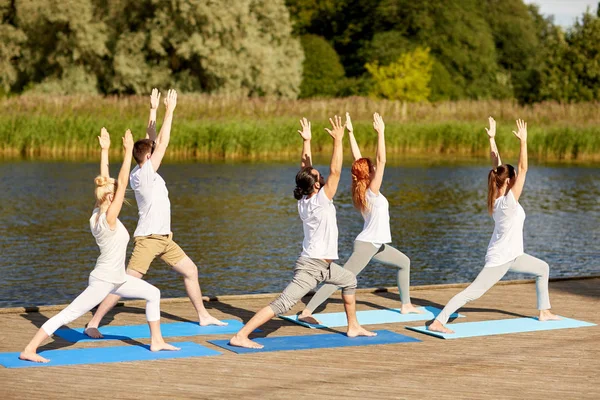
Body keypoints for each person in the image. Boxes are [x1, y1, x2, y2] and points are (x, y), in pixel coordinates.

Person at [19, 128, 179, 363]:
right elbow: (123, 181)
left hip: (117, 279)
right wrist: (126, 153)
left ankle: (156, 341)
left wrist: (105, 150)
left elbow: (105, 180)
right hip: (104, 280)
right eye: (114, 193)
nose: (117, 194)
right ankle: (30, 349)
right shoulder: (109, 219)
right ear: (109, 198)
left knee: (153, 293)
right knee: (69, 314)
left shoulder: (97, 212)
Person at [84, 89, 224, 339]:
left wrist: (152, 110)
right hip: (148, 240)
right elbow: (163, 142)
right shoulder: (145, 174)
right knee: (123, 282)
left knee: (190, 271)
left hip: (165, 240)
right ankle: (93, 322)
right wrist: (170, 111)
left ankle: (203, 316)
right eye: (153, 151)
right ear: (148, 157)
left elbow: (152, 140)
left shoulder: (146, 171)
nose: (157, 149)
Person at [229, 116, 377, 349]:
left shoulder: (305, 198)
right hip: (311, 266)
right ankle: (241, 335)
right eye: (319, 177)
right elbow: (336, 170)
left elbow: (304, 169)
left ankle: (353, 326)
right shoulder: (320, 201)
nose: (322, 176)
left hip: (323, 266)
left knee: (349, 280)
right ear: (317, 185)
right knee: (283, 303)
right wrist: (338, 141)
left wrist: (307, 141)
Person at [428, 117, 560, 334]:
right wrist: (523, 142)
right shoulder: (508, 203)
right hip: (500, 259)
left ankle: (544, 311)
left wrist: (492, 139)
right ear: (509, 182)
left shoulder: (499, 193)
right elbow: (524, 168)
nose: (517, 178)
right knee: (473, 292)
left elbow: (497, 167)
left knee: (542, 268)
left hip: (514, 255)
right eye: (514, 178)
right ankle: (438, 321)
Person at [298, 112, 421, 324]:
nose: (375, 168)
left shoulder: (361, 188)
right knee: (340, 279)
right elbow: (381, 160)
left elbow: (358, 161)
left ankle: (406, 304)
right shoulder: (371, 191)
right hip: (367, 245)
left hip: (376, 243)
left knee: (404, 262)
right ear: (370, 173)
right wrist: (381, 133)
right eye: (372, 168)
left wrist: (352, 134)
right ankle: (307, 311)